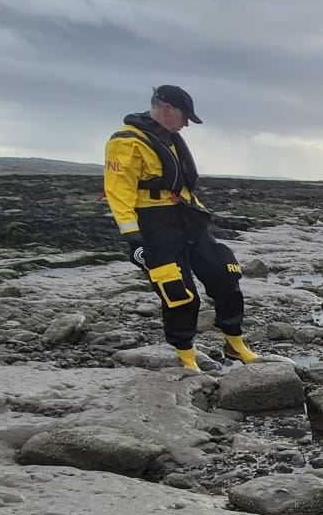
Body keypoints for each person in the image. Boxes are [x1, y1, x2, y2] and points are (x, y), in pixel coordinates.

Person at [102, 84, 259, 372]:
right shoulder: (126, 142)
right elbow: (118, 191)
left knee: (224, 272)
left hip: (187, 218)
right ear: (167, 109)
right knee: (178, 291)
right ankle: (186, 357)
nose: (186, 124)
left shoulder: (170, 138)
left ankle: (235, 343)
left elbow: (181, 185)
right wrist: (133, 237)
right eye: (184, 117)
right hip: (155, 223)